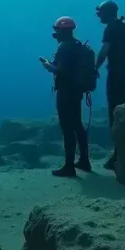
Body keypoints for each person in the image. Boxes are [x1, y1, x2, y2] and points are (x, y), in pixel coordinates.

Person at [39, 16, 92, 177]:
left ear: (61, 30)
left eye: (56, 30)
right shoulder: (78, 46)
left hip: (65, 92)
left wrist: (48, 65)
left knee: (67, 128)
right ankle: (84, 160)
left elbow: (60, 70)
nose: (55, 34)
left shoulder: (64, 48)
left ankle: (69, 166)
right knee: (78, 125)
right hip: (77, 92)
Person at [94, 0, 125, 171]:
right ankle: (124, 152)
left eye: (100, 13)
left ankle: (118, 156)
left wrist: (94, 68)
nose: (98, 16)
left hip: (116, 75)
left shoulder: (111, 28)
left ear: (108, 12)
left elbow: (104, 51)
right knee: (123, 110)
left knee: (115, 113)